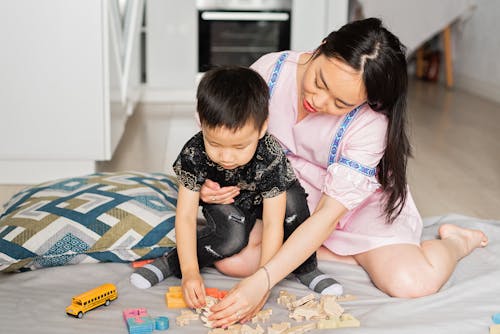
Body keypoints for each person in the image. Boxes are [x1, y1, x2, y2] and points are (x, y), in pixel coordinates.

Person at [199, 18, 488, 327]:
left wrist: (265, 280)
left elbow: (327, 215)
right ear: (322, 47)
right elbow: (224, 132)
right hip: (286, 197)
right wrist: (210, 180)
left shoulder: (372, 124)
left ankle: (457, 242)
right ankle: (324, 251)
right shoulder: (271, 71)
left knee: (412, 282)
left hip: (351, 206)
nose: (318, 101)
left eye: (340, 102)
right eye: (320, 81)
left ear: (366, 101)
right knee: (232, 262)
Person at [129, 66, 342, 307]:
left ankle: (305, 267)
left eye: (239, 147)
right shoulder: (194, 152)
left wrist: (264, 282)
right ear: (201, 122)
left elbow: (273, 223)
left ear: (262, 128)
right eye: (215, 144)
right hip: (227, 201)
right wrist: (190, 273)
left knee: (293, 202)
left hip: (265, 204)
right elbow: (186, 216)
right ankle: (172, 261)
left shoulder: (270, 154)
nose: (227, 157)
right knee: (231, 238)